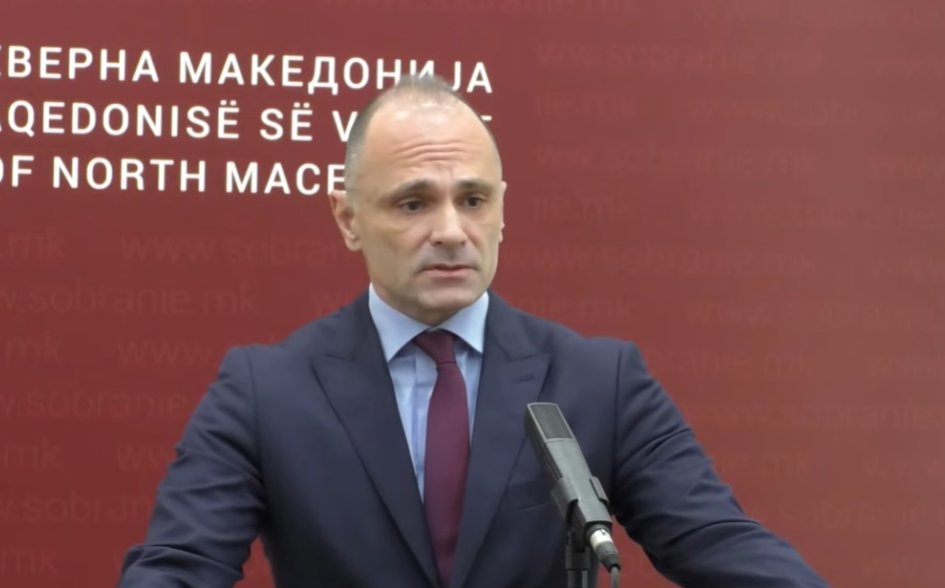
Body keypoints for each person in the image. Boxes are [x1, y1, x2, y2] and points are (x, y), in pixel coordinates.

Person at [116, 74, 831, 588]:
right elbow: (180, 566)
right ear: (348, 218)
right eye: (413, 203)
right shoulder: (265, 392)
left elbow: (717, 542)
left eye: (474, 199)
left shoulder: (599, 381)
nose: (452, 231)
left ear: (502, 210)